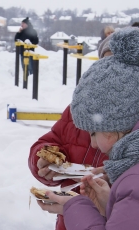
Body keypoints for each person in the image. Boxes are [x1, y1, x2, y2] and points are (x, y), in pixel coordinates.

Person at [37, 27, 139, 230]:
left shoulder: (132, 179)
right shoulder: (84, 106)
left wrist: (76, 206)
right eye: (105, 63)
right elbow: (51, 140)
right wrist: (44, 161)